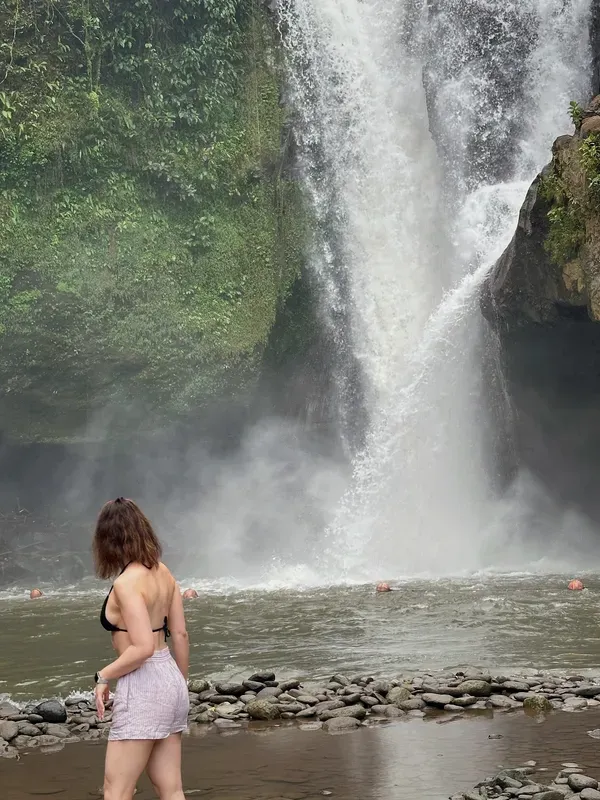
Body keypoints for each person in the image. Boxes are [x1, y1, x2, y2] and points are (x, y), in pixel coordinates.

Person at [92, 497, 189, 800]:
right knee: (171, 789)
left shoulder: (126, 583)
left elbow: (143, 647)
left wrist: (103, 676)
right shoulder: (164, 572)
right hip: (171, 678)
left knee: (116, 791)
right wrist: (179, 684)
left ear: (108, 539)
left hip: (143, 684)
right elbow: (180, 634)